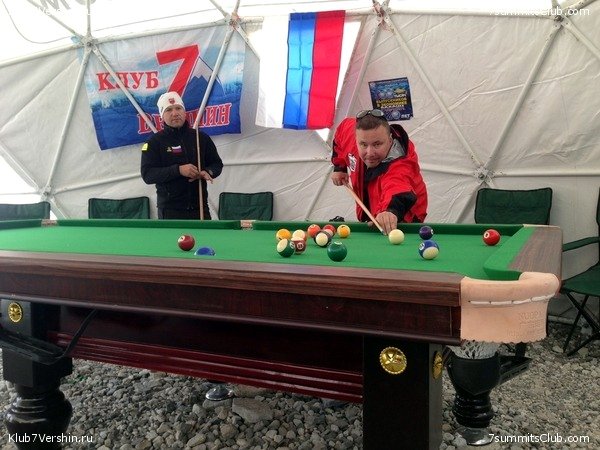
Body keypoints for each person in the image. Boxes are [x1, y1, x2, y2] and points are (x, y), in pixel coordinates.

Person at [331, 109, 427, 234]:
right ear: (356, 140)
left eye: (377, 144)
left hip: (404, 217)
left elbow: (397, 187)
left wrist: (389, 211)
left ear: (390, 140)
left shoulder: (400, 163)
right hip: (371, 213)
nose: (370, 153)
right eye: (363, 145)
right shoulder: (351, 132)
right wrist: (339, 167)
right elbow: (341, 133)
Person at [141, 92, 223, 219]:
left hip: (200, 208)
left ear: (184, 112)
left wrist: (208, 171)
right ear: (162, 116)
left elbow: (216, 164)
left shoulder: (200, 137)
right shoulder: (154, 142)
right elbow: (148, 175)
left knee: (204, 240)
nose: (175, 113)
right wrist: (178, 170)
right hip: (170, 211)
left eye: (178, 108)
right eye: (168, 110)